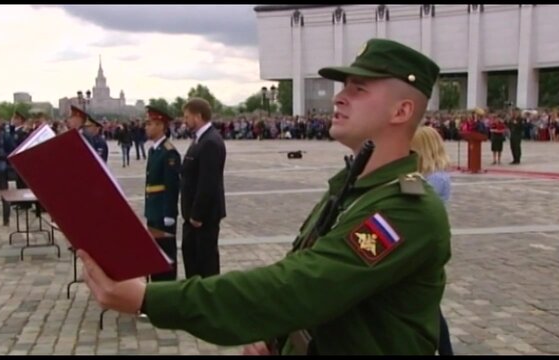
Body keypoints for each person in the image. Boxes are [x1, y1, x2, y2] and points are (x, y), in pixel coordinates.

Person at [78, 38, 451, 355]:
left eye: (359, 89)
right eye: (344, 87)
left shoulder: (405, 211)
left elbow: (297, 287)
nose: (339, 98)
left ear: (402, 111)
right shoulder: (354, 188)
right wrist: (276, 339)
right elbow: (316, 294)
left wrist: (150, 299)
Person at [410, 125, 453, 356]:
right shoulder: (423, 175)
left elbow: (411, 200)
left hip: (425, 245)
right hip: (420, 242)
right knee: (429, 306)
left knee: (430, 306)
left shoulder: (436, 178)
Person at [179, 97, 227, 279]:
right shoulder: (200, 140)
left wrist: (197, 215)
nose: (185, 121)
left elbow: (208, 182)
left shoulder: (210, 142)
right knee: (193, 262)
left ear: (198, 116)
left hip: (203, 218)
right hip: (194, 217)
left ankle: (208, 303)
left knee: (205, 264)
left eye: (187, 117)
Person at [144, 105, 181, 282]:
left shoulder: (169, 152)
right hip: (153, 211)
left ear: (160, 125)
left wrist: (169, 213)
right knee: (155, 253)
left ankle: (167, 288)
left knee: (166, 254)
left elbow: (171, 185)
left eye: (150, 123)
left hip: (162, 213)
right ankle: (157, 286)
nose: (146, 127)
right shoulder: (154, 150)